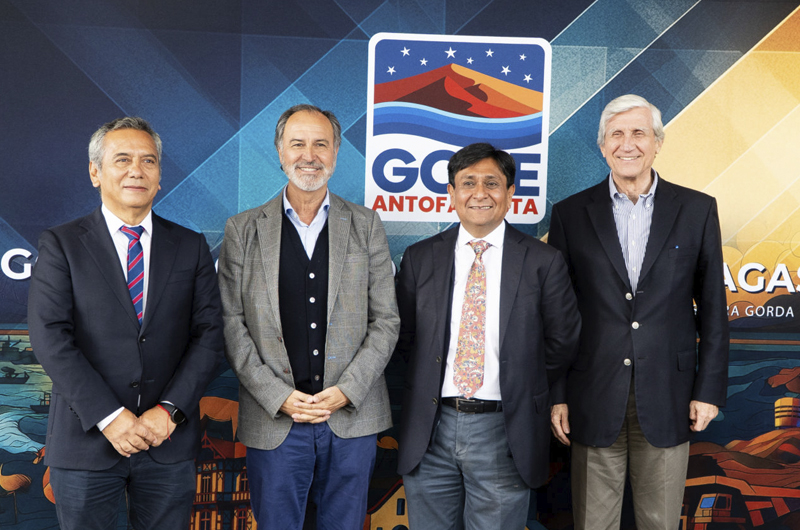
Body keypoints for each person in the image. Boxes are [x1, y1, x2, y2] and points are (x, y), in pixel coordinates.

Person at [27, 117, 224, 530]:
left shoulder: (190, 246)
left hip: (167, 442)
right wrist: (109, 416)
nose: (137, 170)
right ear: (95, 172)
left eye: (148, 161)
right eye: (122, 159)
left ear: (159, 176)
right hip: (86, 442)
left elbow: (209, 335)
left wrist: (169, 411)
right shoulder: (62, 244)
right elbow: (50, 337)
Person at [548, 94, 729, 530]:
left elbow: (713, 310)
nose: (627, 144)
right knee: (593, 523)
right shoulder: (570, 214)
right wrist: (557, 393)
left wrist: (708, 391)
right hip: (591, 395)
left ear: (657, 143)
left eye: (638, 133)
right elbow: (556, 316)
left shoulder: (698, 210)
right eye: (616, 134)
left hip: (670, 394)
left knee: (659, 523)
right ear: (602, 145)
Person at [218, 104, 400, 529]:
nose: (309, 155)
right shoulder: (242, 230)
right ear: (280, 151)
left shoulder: (366, 224)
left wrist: (347, 390)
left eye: (321, 144)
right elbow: (230, 323)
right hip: (274, 419)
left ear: (336, 152)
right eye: (297, 143)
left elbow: (386, 321)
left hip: (351, 418)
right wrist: (277, 395)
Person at [394, 142, 581, 529]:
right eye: (468, 183)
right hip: (430, 429)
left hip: (504, 430)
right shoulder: (419, 258)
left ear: (510, 193)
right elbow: (403, 339)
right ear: (451, 193)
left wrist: (519, 383)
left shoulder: (543, 261)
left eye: (492, 183)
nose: (480, 193)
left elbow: (562, 340)